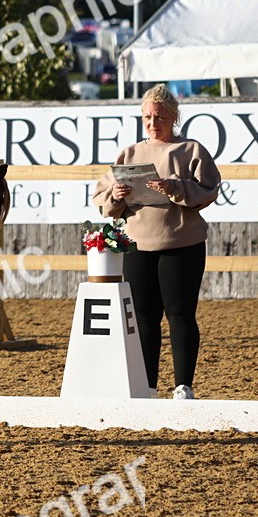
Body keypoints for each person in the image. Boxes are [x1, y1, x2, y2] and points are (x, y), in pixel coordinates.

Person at [93, 84, 222, 400]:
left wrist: (174, 187)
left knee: (180, 315)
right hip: (138, 246)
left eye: (160, 116)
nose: (153, 122)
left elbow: (208, 190)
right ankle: (147, 388)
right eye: (148, 117)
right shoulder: (130, 154)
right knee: (143, 319)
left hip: (182, 245)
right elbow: (102, 199)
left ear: (173, 117)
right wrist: (116, 195)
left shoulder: (191, 150)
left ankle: (182, 387)